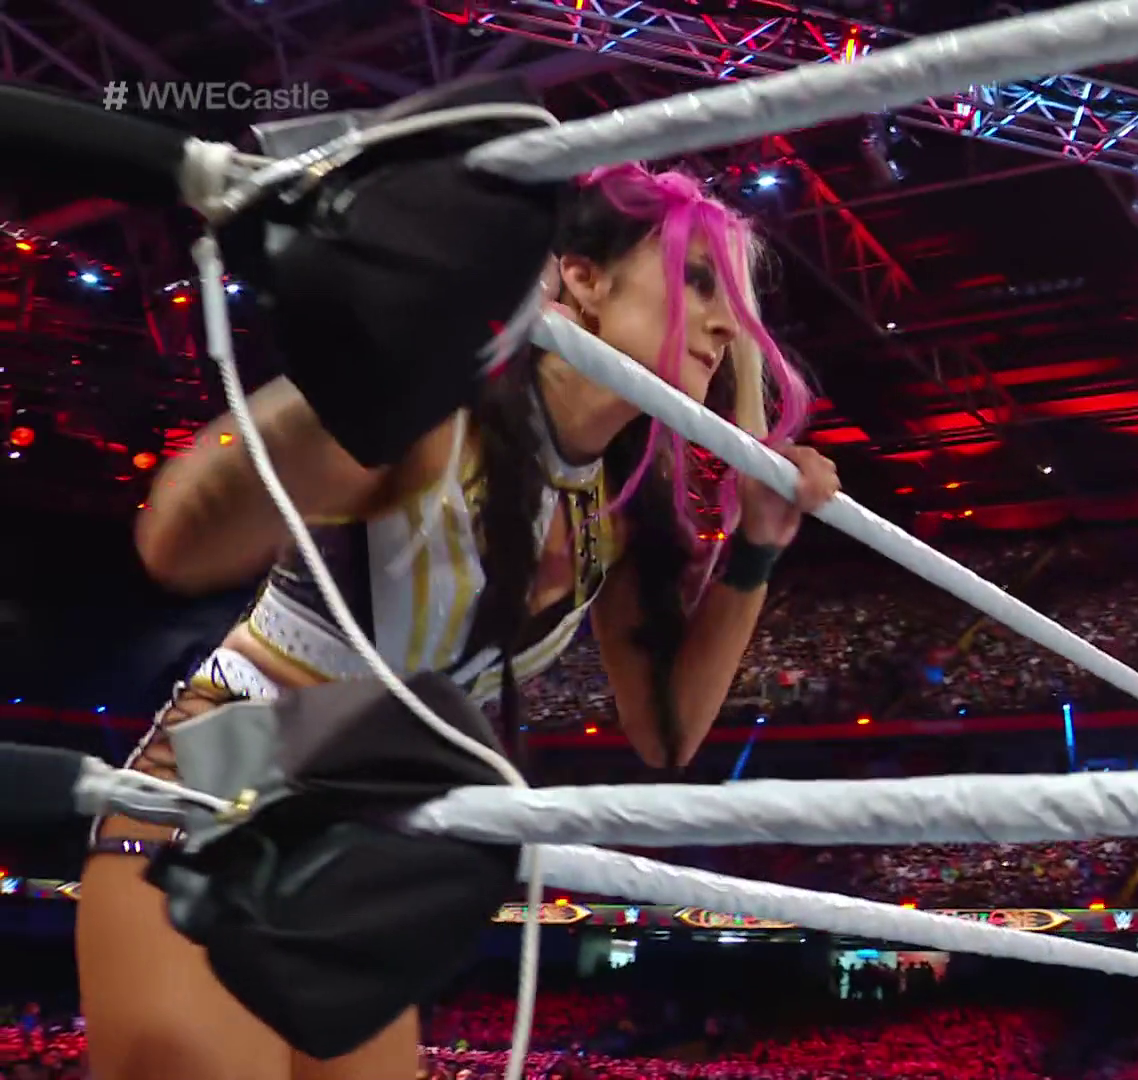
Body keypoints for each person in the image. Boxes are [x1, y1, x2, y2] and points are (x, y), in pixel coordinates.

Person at [76, 163, 839, 1080]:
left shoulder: (618, 509)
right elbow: (176, 540)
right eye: (699, 281)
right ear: (582, 276)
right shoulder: (441, 411)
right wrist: (377, 372)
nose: (726, 325)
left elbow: (665, 733)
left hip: (355, 865)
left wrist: (755, 546)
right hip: (211, 808)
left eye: (736, 302)